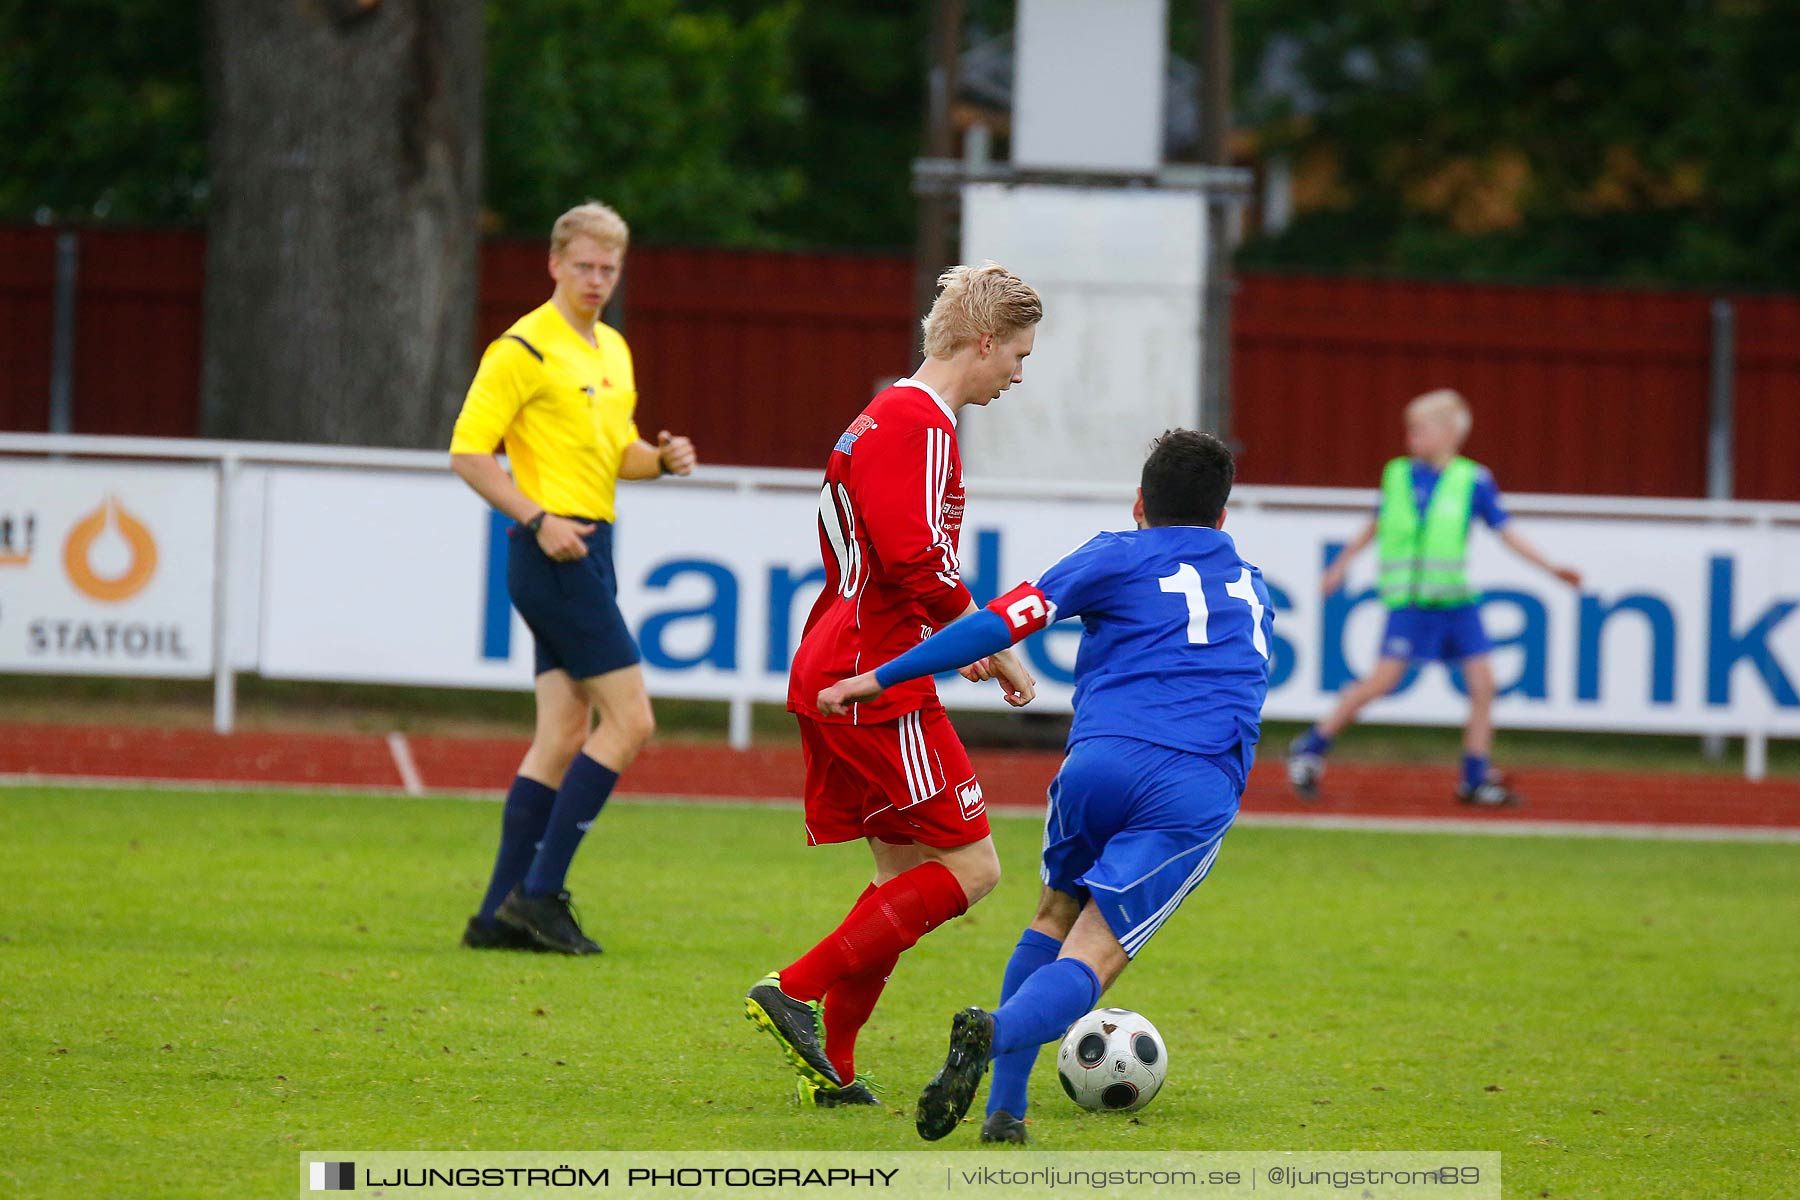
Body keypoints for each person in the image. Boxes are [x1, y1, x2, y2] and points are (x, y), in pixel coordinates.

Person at [815, 429, 1273, 1142]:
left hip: (1094, 766)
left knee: (1055, 913)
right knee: (1095, 951)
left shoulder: (1113, 553)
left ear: (1138, 506)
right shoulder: (1250, 583)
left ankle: (1007, 1113)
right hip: (1193, 781)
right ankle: (994, 1033)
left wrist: (879, 675)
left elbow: (998, 623)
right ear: (1222, 518)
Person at [743, 262, 1043, 1108]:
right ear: (982, 343)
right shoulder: (921, 421)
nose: (1018, 374)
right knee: (974, 867)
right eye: (1016, 355)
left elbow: (898, 554)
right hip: (871, 677)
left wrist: (960, 637)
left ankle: (832, 1066)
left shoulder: (882, 417)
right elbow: (916, 557)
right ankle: (792, 987)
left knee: (898, 872)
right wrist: (995, 638)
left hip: (840, 659)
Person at [448, 201, 697, 955]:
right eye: (584, 266)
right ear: (554, 263)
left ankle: (495, 917)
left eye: (608, 268)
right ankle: (541, 894)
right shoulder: (522, 348)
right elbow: (468, 452)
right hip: (553, 552)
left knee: (562, 734)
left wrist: (661, 460)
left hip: (592, 545)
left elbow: (617, 452)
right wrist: (535, 519)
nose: (596, 279)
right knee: (633, 721)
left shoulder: (612, 348)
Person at [1285, 388, 1581, 806]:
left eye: (1419, 430)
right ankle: (1311, 747)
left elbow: (1506, 531)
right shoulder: (1399, 475)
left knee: (1484, 686)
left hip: (1456, 602)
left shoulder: (1472, 480)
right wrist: (1341, 565)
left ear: (1449, 433)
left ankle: (1474, 777)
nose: (1411, 439)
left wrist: (1551, 568)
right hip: (1411, 602)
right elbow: (1375, 525)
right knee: (1381, 683)